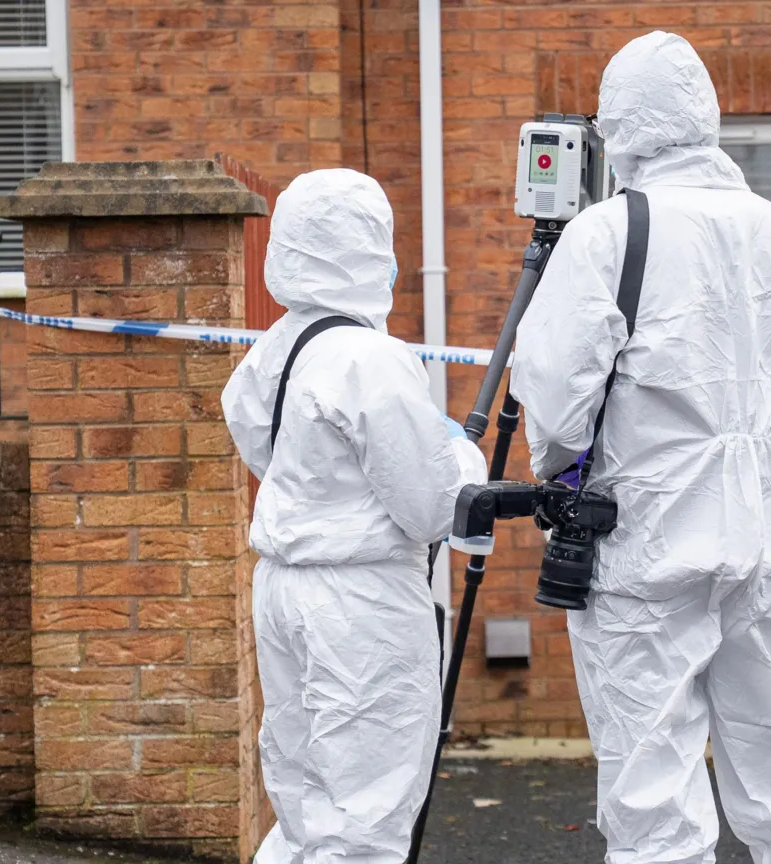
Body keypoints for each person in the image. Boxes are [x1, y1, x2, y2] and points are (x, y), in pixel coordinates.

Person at [511, 31, 771, 864]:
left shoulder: (606, 235)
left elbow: (556, 413)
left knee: (653, 805)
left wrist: (561, 473)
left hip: (644, 556)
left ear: (617, 129)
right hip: (770, 558)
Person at [222, 169, 486, 864]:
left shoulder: (275, 350)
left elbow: (260, 444)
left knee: (305, 802)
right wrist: (462, 458)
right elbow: (430, 506)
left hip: (284, 587)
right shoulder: (372, 358)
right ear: (373, 248)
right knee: (365, 812)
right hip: (358, 602)